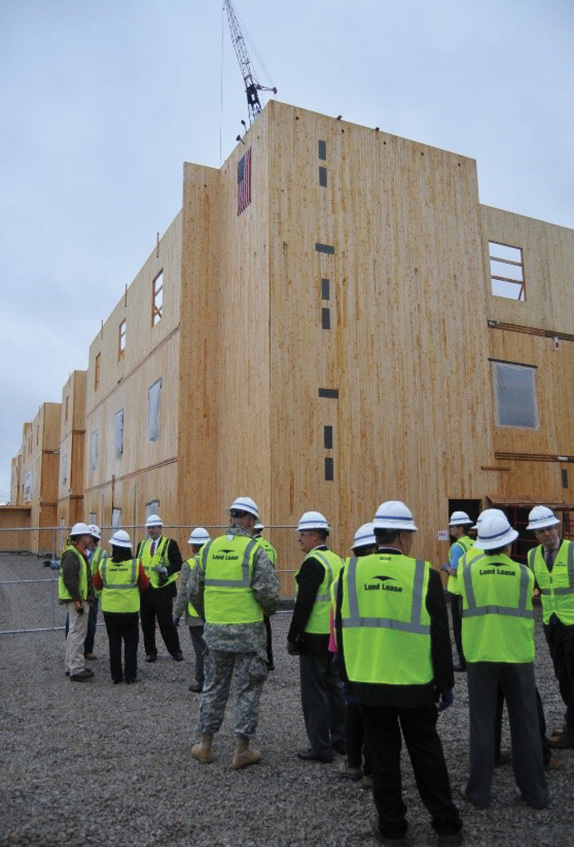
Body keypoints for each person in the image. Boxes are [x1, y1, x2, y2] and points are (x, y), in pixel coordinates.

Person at [335, 500, 462, 847]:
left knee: (384, 757)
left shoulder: (348, 572)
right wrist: (445, 683)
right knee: (427, 753)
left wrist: (346, 678)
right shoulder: (424, 575)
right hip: (415, 684)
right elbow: (439, 636)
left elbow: (342, 629)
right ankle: (447, 827)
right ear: (405, 537)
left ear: (378, 535)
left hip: (369, 682)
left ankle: (392, 829)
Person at [454, 511, 548, 810]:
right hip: (518, 656)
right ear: (509, 544)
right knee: (526, 725)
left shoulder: (466, 571)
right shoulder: (524, 573)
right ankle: (535, 793)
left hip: (481, 655)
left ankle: (478, 792)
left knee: (482, 724)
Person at [188, 496, 280, 769]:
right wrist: (266, 612)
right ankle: (242, 749)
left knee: (213, 688)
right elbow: (270, 594)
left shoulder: (208, 549)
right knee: (247, 690)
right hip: (249, 635)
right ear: (251, 521)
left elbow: (194, 590)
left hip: (215, 633)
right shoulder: (255, 551)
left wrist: (208, 615)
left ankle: (205, 745)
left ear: (232, 519)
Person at [288, 510, 346, 764]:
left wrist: (293, 636)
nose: (299, 538)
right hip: (334, 638)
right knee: (335, 689)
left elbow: (304, 605)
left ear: (314, 535)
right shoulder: (338, 560)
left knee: (315, 695)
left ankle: (320, 747)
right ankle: (342, 740)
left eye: (302, 534)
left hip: (313, 637)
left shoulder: (313, 563)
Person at [527, 505, 574, 749]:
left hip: (572, 623)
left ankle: (572, 730)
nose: (547, 534)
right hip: (551, 622)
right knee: (561, 675)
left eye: (550, 528)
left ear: (557, 527)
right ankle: (572, 721)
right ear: (535, 534)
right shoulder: (533, 555)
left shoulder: (572, 551)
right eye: (541, 530)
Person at [335, 523, 375, 785]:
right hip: (380, 653)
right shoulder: (389, 574)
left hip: (351, 652)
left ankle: (353, 763)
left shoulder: (344, 575)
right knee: (376, 714)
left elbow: (337, 618)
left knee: (354, 709)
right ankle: (372, 768)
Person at [92, 530, 149, 684]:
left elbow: (97, 585)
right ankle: (130, 675)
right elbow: (145, 585)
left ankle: (116, 676)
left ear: (113, 547)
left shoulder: (104, 564)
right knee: (131, 642)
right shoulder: (136, 564)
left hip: (110, 610)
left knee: (114, 642)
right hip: (130, 609)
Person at [137, 513, 183, 662]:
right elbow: (138, 565)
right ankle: (150, 652)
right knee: (147, 623)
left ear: (160, 528)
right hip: (146, 590)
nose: (151, 530)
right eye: (149, 528)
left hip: (163, 589)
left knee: (166, 623)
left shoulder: (170, 544)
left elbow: (178, 563)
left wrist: (166, 570)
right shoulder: (142, 545)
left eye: (154, 527)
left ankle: (175, 650)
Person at [58, 522, 96, 682]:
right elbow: (70, 579)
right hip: (77, 600)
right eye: (88, 536)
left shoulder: (76, 553)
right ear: (81, 537)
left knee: (76, 632)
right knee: (78, 633)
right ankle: (76, 668)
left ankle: (71, 666)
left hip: (78, 599)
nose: (90, 538)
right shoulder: (72, 554)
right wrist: (78, 601)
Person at [174, 527, 211, 692]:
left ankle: (202, 681)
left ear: (194, 547)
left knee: (201, 650)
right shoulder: (214, 561)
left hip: (196, 616)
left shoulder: (189, 565)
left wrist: (176, 614)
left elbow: (183, 594)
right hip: (214, 613)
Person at [445, 511, 474, 672]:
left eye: (452, 526)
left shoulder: (457, 547)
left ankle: (463, 661)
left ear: (460, 528)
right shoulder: (471, 543)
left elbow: (454, 571)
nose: (450, 528)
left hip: (457, 593)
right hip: (469, 591)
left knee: (458, 629)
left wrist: (446, 568)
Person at [253, 521, 277, 670]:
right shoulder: (269, 546)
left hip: (254, 593)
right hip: (267, 590)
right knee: (266, 628)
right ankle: (269, 660)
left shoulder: (252, 547)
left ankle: (258, 661)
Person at [84, 524, 107, 661]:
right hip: (80, 594)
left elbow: (104, 571)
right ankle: (75, 649)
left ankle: (88, 650)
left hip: (93, 595)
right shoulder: (79, 551)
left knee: (90, 624)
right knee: (74, 625)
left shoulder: (102, 554)